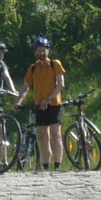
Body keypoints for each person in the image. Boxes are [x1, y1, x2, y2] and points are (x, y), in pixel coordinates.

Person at [21, 35, 66, 170]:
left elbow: (61, 84)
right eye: (39, 50)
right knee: (43, 137)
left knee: (55, 134)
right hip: (39, 105)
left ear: (48, 51)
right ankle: (46, 166)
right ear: (35, 52)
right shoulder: (33, 68)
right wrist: (18, 101)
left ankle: (57, 166)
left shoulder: (55, 64)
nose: (41, 53)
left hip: (53, 105)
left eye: (43, 50)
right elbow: (25, 87)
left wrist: (48, 99)